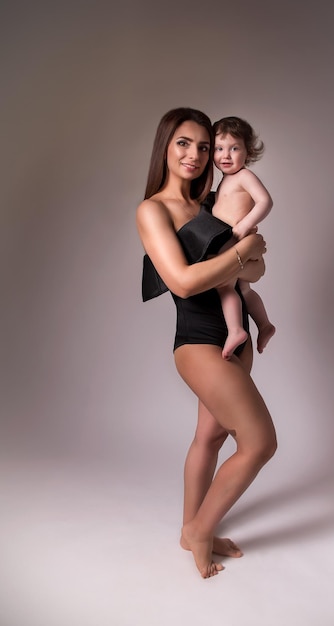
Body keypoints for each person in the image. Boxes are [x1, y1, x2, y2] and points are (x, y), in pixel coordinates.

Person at [136, 107, 277, 578]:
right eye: (184, 143)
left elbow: (255, 270)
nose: (195, 154)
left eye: (203, 146)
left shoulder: (211, 205)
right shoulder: (153, 209)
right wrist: (241, 253)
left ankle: (190, 528)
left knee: (211, 435)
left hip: (235, 339)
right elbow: (183, 282)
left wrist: (245, 257)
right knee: (258, 442)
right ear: (166, 146)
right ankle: (202, 530)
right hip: (197, 342)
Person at [212, 116, 276, 359]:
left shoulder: (244, 176)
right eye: (219, 148)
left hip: (236, 239)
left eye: (234, 148)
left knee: (224, 284)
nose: (225, 155)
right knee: (244, 290)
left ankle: (236, 329)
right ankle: (264, 325)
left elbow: (265, 201)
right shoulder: (225, 180)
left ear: (248, 152)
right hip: (231, 240)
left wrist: (245, 224)